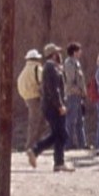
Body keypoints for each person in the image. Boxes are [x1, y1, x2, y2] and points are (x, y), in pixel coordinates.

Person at [29, 43, 74, 172]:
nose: (59, 55)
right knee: (61, 134)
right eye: (57, 53)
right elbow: (54, 90)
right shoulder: (51, 68)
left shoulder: (52, 67)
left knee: (58, 134)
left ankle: (40, 153)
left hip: (51, 106)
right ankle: (53, 159)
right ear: (53, 55)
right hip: (53, 107)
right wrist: (60, 105)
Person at [16, 49, 46, 151]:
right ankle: (31, 145)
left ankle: (35, 144)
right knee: (36, 122)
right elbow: (44, 82)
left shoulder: (24, 71)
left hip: (28, 98)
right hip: (35, 98)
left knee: (36, 121)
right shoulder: (37, 68)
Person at [62, 42, 88, 150]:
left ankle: (82, 143)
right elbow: (70, 81)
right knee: (71, 120)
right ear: (74, 52)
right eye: (79, 50)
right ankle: (68, 143)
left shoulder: (76, 63)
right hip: (72, 94)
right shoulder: (69, 64)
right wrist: (78, 91)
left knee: (80, 120)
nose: (80, 52)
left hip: (78, 95)